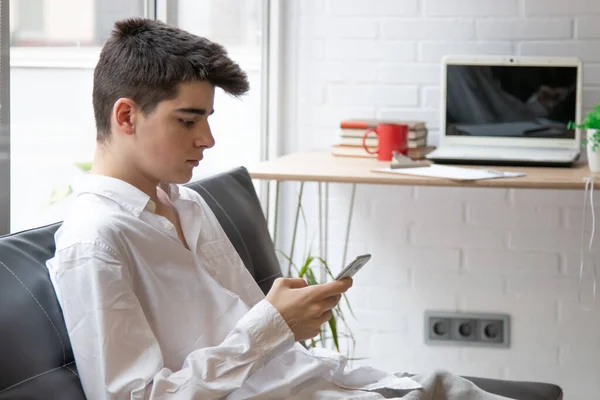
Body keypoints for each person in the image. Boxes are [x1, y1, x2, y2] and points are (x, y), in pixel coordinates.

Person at [45, 18, 423, 399]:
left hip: (331, 382)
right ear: (126, 116)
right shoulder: (94, 242)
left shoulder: (187, 203)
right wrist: (272, 326)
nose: (207, 139)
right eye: (188, 120)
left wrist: (284, 318)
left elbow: (255, 335)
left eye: (207, 119)